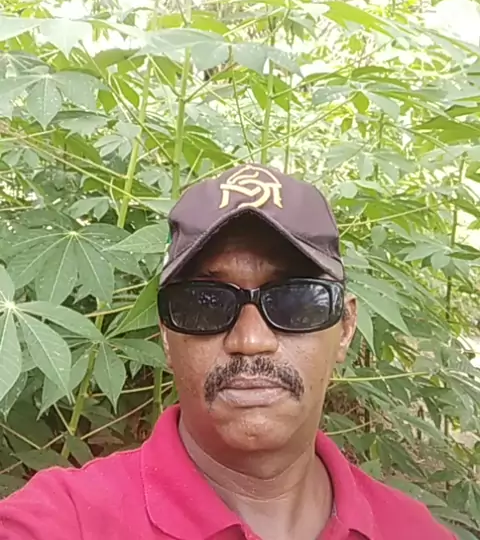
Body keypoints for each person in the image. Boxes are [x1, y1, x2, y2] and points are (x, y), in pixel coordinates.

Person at [0, 164, 457, 540]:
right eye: (205, 303)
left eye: (295, 300)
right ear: (165, 334)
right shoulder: (69, 520)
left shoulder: (414, 532)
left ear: (345, 328)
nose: (250, 340)